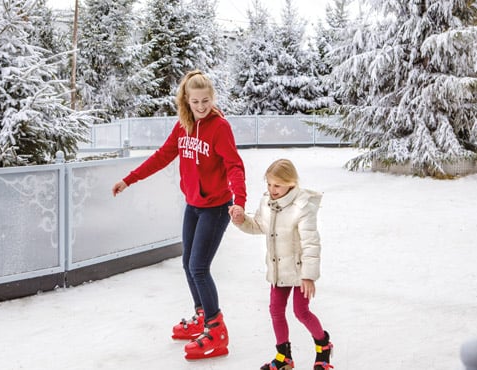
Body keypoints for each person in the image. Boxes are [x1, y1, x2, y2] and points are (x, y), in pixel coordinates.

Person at [111, 69, 246, 360]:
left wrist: (240, 203)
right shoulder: (183, 125)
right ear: (185, 100)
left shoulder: (220, 127)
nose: (201, 107)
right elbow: (162, 156)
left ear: (213, 98)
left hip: (216, 207)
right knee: (187, 263)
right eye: (195, 101)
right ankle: (202, 316)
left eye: (206, 101)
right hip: (194, 205)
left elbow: (234, 165)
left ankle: (217, 330)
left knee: (199, 267)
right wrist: (129, 179)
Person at [229, 159, 333, 370]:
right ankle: (284, 356)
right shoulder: (267, 203)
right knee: (276, 311)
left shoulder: (302, 207)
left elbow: (311, 243)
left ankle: (323, 346)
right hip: (279, 269)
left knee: (301, 312)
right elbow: (258, 226)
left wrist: (308, 275)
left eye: (277, 185)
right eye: (268, 184)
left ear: (291, 183)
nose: (271, 189)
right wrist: (241, 220)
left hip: (300, 270)